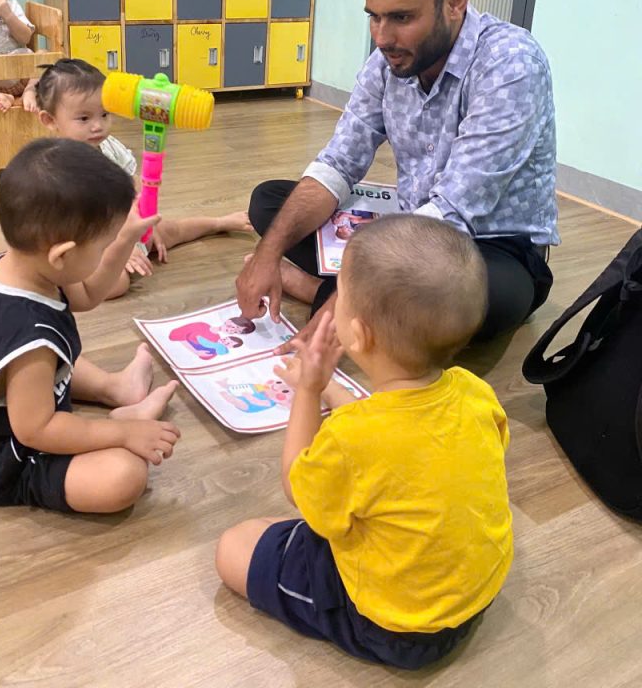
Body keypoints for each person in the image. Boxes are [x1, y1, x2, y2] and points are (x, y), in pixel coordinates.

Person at [237, 0, 557, 347]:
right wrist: (266, 255)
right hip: (410, 221)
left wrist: (340, 307)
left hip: (490, 247)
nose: (382, 37)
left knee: (472, 300)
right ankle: (363, 304)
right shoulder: (387, 62)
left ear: (454, 2)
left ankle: (319, 290)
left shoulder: (511, 64)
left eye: (402, 17)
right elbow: (338, 163)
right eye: (375, 17)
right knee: (270, 204)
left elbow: (454, 210)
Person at [217, 214, 513, 669]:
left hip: (396, 628)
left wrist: (309, 392)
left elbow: (296, 486)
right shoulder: (475, 392)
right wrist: (330, 387)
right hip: (477, 595)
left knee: (233, 548)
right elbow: (409, 438)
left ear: (356, 333)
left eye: (339, 293)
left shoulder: (352, 438)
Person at [0, 137, 180, 514]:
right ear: (62, 255)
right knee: (124, 476)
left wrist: (125, 239)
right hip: (9, 455)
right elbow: (37, 430)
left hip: (26, 398)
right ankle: (119, 416)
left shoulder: (24, 264)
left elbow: (88, 295)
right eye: (102, 247)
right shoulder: (27, 340)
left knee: (54, 360)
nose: (107, 252)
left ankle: (115, 389)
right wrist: (121, 433)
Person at [34, 58, 252, 292]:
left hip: (121, 229)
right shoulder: (56, 169)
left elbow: (132, 191)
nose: (98, 126)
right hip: (85, 243)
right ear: (50, 120)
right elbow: (73, 227)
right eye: (84, 118)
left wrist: (143, 224)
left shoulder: (110, 148)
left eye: (104, 114)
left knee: (171, 230)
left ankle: (218, 223)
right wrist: (117, 249)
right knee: (116, 285)